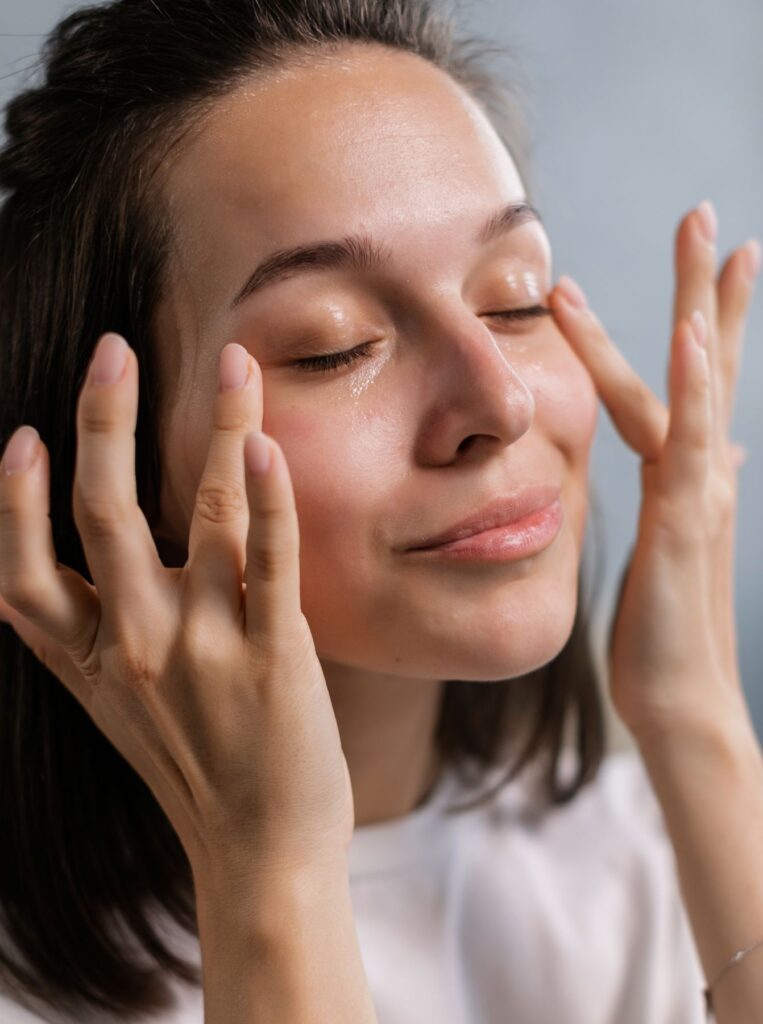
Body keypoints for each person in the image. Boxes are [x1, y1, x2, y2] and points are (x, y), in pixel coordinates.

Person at [0, 0, 761, 1021]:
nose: (500, 402)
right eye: (334, 343)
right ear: (117, 474)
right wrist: (268, 872)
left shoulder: (656, 862)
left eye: (516, 297)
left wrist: (697, 717)